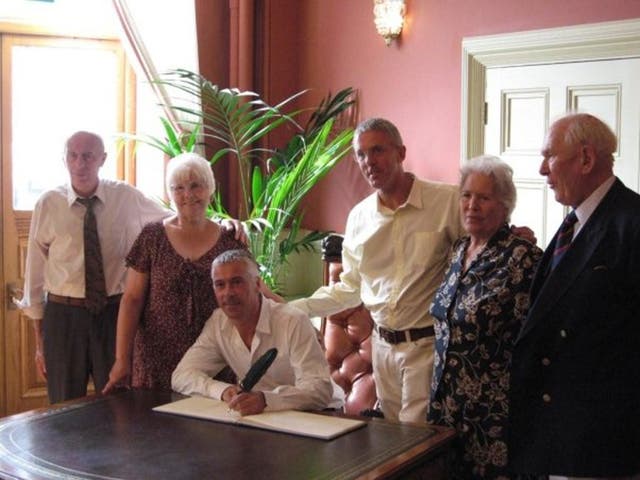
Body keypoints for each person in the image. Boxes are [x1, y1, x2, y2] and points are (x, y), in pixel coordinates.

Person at [289, 118, 463, 423]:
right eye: (361, 154)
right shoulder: (359, 218)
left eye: (378, 150)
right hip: (381, 348)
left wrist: (515, 234)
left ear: (401, 153)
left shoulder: (447, 201)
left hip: (426, 346)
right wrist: (294, 308)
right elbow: (349, 288)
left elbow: (481, 247)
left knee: (416, 439)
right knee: (392, 441)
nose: (369, 161)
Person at [509, 113, 640, 479]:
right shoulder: (574, 223)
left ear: (585, 159)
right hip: (558, 431)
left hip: (604, 439)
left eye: (549, 156)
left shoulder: (632, 222)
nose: (541, 170)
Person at [19, 131, 169, 403]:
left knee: (118, 403)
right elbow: (35, 275)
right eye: (73, 156)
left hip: (114, 314)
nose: (80, 164)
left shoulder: (125, 197)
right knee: (64, 408)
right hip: (63, 317)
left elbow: (172, 220)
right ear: (64, 160)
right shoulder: (49, 203)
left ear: (102, 159)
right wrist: (39, 344)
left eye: (88, 156)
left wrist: (226, 226)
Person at [427, 155, 542, 479]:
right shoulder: (458, 250)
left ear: (505, 205)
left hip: (495, 416)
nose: (472, 205)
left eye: (484, 197)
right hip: (445, 408)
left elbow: (539, 341)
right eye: (467, 195)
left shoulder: (523, 257)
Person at [102, 153, 246, 393]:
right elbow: (132, 299)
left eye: (195, 186)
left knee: (211, 428)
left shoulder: (230, 239)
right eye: (178, 188)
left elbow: (255, 293)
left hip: (214, 359)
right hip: (155, 358)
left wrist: (297, 317)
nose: (188, 195)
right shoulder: (152, 236)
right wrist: (121, 360)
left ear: (209, 188)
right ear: (170, 194)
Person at [172, 249, 335, 414]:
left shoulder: (292, 321)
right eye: (220, 285)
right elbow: (181, 376)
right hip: (260, 420)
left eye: (237, 282)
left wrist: (266, 400)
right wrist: (223, 391)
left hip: (319, 416)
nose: (228, 293)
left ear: (257, 284)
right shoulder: (218, 322)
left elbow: (319, 390)